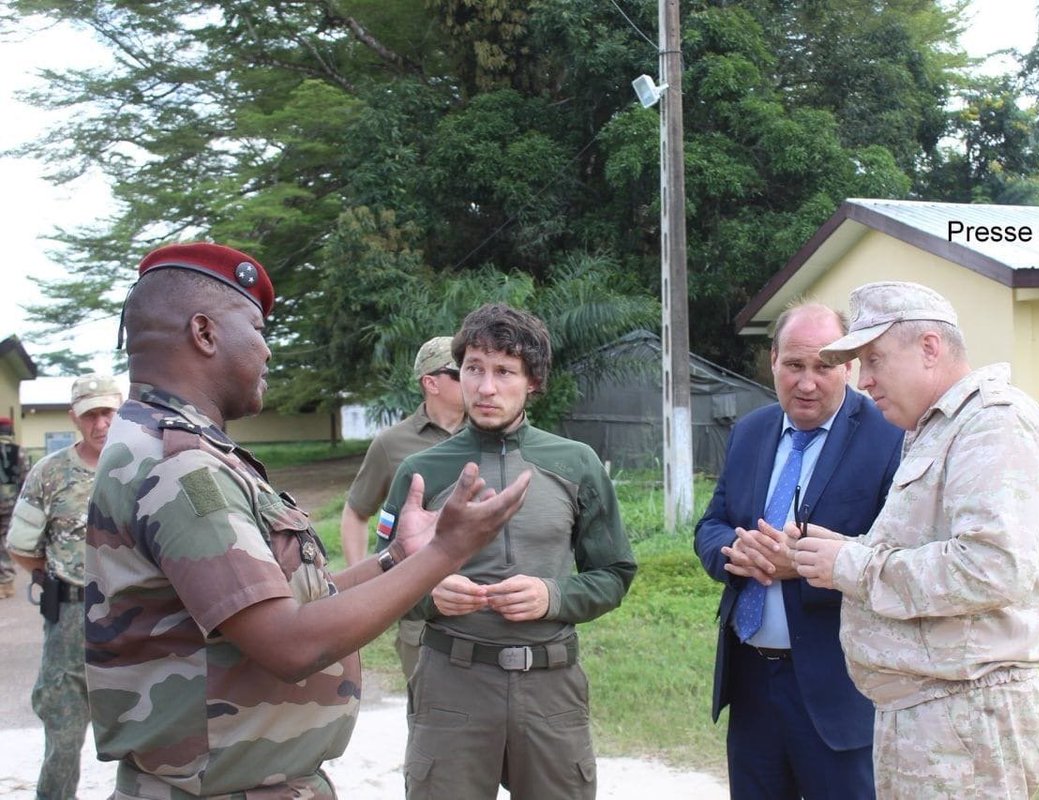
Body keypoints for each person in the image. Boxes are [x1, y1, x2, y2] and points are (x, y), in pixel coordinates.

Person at [85, 242, 532, 799]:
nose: (267, 351)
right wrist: (447, 553)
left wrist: (397, 558)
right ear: (204, 333)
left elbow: (281, 604)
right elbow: (289, 643)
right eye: (257, 329)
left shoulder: (165, 444)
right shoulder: (181, 467)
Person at [789, 281, 1039, 799]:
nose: (864, 381)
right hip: (932, 713)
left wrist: (851, 565)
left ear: (930, 347)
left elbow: (990, 567)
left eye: (874, 360)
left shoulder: (993, 424)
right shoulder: (939, 428)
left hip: (966, 716)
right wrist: (844, 550)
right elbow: (938, 546)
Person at [377, 302, 637, 800]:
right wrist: (430, 593)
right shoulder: (421, 471)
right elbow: (382, 582)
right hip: (451, 686)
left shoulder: (576, 464)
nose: (486, 387)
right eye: (474, 369)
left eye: (504, 371)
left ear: (532, 380)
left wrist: (553, 596)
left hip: (551, 687)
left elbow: (614, 573)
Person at [693, 303, 903, 800]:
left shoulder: (888, 438)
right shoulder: (751, 431)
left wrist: (805, 563)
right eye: (794, 365)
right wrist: (736, 551)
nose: (807, 383)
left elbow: (895, 556)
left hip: (838, 689)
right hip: (751, 682)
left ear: (847, 367)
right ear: (773, 360)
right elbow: (711, 525)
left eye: (823, 366)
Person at [7, 374, 122, 800]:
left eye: (108, 412)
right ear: (74, 417)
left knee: (143, 719)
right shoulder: (50, 473)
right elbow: (20, 547)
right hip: (72, 614)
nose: (100, 424)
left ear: (121, 410)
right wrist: (55, 574)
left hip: (135, 613)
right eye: (90, 415)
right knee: (63, 725)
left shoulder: (144, 465)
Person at [341, 336, 465, 678]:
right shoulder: (392, 444)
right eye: (460, 373)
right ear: (431, 383)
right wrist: (363, 584)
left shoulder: (492, 435)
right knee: (427, 705)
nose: (474, 380)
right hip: (421, 612)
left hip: (485, 604)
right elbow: (356, 513)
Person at [0, 415, 30, 599]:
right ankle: (6, 583)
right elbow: (25, 479)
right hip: (10, 502)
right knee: (5, 541)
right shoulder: (19, 451)